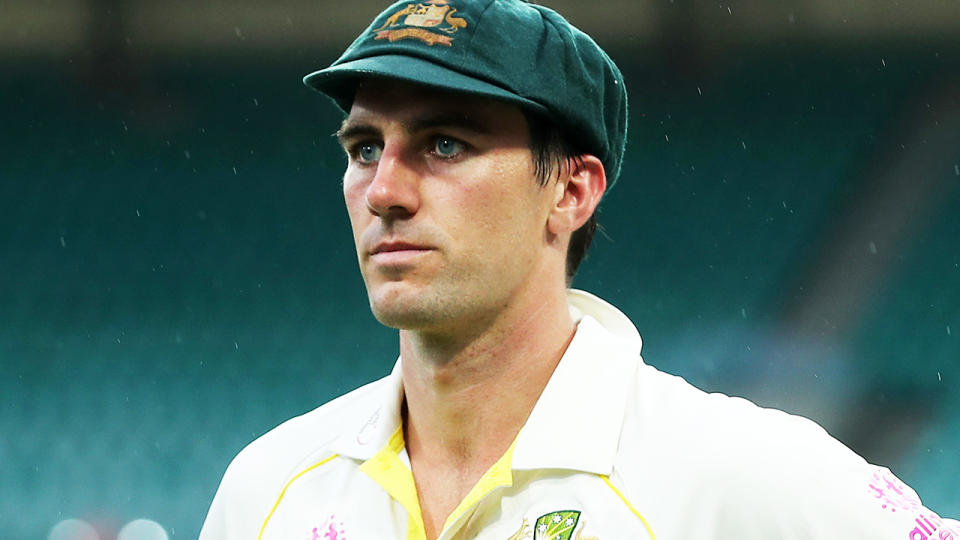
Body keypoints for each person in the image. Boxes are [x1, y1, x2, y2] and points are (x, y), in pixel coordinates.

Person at [199, 1, 958, 539]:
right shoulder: (269, 490)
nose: (386, 191)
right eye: (365, 149)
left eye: (445, 145)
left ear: (571, 190)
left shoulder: (735, 472)